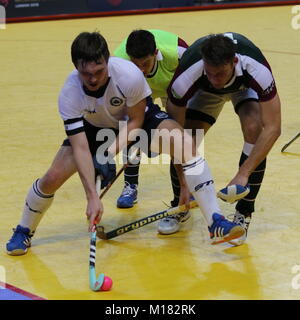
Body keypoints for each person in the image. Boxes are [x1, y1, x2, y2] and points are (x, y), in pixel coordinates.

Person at [6, 31, 245, 256]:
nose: (93, 79)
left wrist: (107, 154)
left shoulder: (128, 74)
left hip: (135, 120)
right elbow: (79, 147)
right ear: (76, 67)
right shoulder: (69, 94)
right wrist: (92, 197)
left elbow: (136, 121)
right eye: (86, 73)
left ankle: (215, 221)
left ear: (107, 61)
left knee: (185, 144)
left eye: (99, 71)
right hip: (93, 128)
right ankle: (24, 230)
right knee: (51, 178)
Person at [165, 32, 281, 245]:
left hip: (244, 88)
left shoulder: (256, 69)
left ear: (234, 61)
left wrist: (243, 174)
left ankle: (244, 213)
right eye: (210, 72)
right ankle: (179, 204)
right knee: (188, 137)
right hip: (204, 91)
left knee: (255, 128)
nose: (215, 79)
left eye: (220, 73)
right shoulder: (188, 76)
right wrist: (184, 184)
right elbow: (174, 135)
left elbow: (273, 128)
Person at [113, 30, 190, 222]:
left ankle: (186, 188)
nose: (141, 70)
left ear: (156, 53)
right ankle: (130, 186)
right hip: (136, 90)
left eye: (145, 63)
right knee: (131, 126)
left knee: (180, 135)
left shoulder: (180, 53)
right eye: (135, 64)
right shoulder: (118, 62)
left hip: (172, 86)